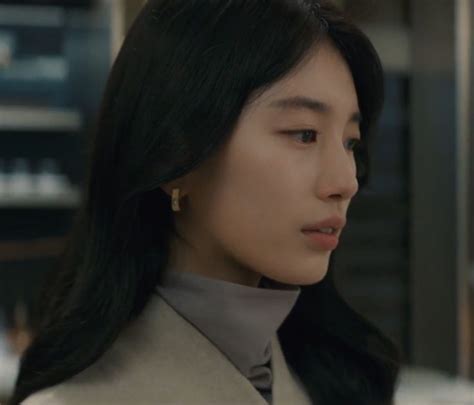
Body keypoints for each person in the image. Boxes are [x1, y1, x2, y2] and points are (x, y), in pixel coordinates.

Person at [8, 0, 401, 404]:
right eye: (304, 134)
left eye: (350, 142)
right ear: (175, 156)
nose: (346, 182)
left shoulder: (335, 378)